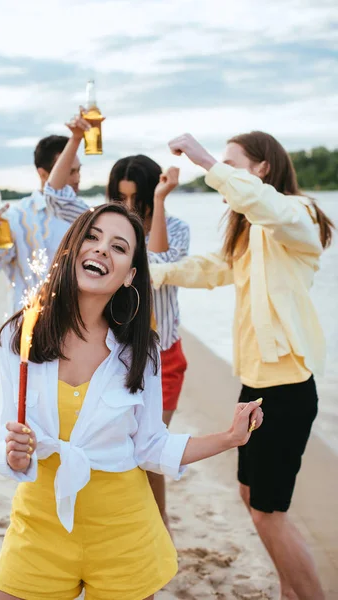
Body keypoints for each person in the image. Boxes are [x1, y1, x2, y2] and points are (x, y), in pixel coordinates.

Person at [0, 202, 263, 600]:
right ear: (71, 249)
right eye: (93, 238)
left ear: (130, 275)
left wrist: (230, 438)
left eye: (119, 247)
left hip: (123, 534)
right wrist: (12, 456)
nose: (101, 250)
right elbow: (0, 436)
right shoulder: (19, 336)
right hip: (39, 528)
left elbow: (150, 446)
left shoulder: (139, 353)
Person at [150, 131, 335, 600]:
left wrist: (205, 159)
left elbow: (264, 205)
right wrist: (156, 271)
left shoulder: (298, 216)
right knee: (251, 498)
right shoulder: (250, 232)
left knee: (267, 513)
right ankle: (289, 590)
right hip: (254, 386)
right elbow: (213, 268)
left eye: (234, 164)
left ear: (262, 169)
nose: (224, 173)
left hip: (287, 390)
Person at [44, 115, 190, 532]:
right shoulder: (100, 227)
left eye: (136, 199)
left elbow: (159, 262)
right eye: (118, 197)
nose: (127, 208)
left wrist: (159, 204)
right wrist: (75, 136)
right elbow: (54, 195)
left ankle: (156, 528)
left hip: (160, 353)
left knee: (149, 449)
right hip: (108, 350)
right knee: (112, 446)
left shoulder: (175, 226)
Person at [0, 135, 88, 313]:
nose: (77, 178)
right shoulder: (15, 217)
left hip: (74, 327)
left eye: (78, 170)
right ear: (43, 174)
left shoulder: (85, 215)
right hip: (24, 328)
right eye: (70, 171)